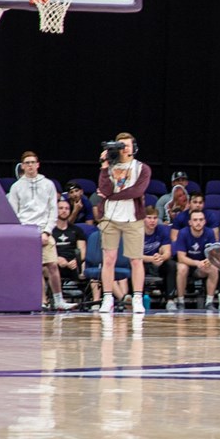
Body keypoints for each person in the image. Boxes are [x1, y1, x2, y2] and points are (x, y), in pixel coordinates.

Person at [95, 133, 151, 313]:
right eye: (121, 145)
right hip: (110, 217)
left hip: (133, 218)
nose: (124, 148)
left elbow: (136, 191)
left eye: (127, 145)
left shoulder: (142, 168)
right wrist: (104, 166)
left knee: (136, 260)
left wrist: (112, 196)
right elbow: (104, 189)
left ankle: (137, 298)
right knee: (108, 259)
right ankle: (107, 298)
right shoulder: (110, 166)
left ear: (134, 147)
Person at [8, 151, 69, 310]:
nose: (30, 165)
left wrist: (47, 232)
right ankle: (40, 300)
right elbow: (13, 213)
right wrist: (22, 232)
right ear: (22, 166)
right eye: (27, 163)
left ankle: (58, 300)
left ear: (38, 164)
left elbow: (52, 210)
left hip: (44, 231)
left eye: (32, 162)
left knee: (52, 265)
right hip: (25, 232)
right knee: (33, 269)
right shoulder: (16, 187)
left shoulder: (48, 184)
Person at [172, 209, 220, 306]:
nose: (198, 222)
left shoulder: (210, 232)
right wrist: (197, 263)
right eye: (195, 220)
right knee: (182, 268)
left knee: (214, 268)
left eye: (201, 220)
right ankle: (180, 301)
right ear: (190, 222)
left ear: (205, 221)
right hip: (188, 264)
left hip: (202, 266)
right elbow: (181, 257)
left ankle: (209, 302)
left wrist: (209, 260)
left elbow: (213, 254)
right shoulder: (183, 233)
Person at [49, 198, 89, 305]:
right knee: (48, 265)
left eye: (67, 208)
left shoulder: (77, 230)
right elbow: (45, 251)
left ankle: (73, 289)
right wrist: (56, 259)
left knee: (85, 264)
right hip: (55, 262)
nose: (64, 211)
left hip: (74, 264)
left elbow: (82, 249)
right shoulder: (50, 230)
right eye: (61, 208)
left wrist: (77, 260)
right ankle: (53, 297)